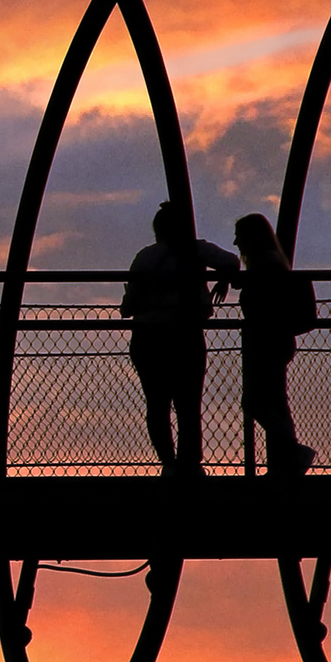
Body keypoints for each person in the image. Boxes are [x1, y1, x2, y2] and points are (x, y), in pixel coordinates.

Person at [122, 200, 239, 478]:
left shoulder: (146, 257)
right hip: (186, 335)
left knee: (157, 403)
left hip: (148, 336)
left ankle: (168, 462)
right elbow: (231, 261)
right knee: (188, 403)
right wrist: (223, 278)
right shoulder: (196, 250)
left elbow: (128, 305)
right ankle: (190, 463)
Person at [233, 212, 316, 476]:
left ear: (252, 239)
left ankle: (293, 453)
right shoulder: (273, 264)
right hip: (277, 341)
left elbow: (258, 297)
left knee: (255, 401)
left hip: (267, 342)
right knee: (276, 402)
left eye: (240, 237)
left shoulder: (264, 267)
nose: (236, 242)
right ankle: (286, 463)